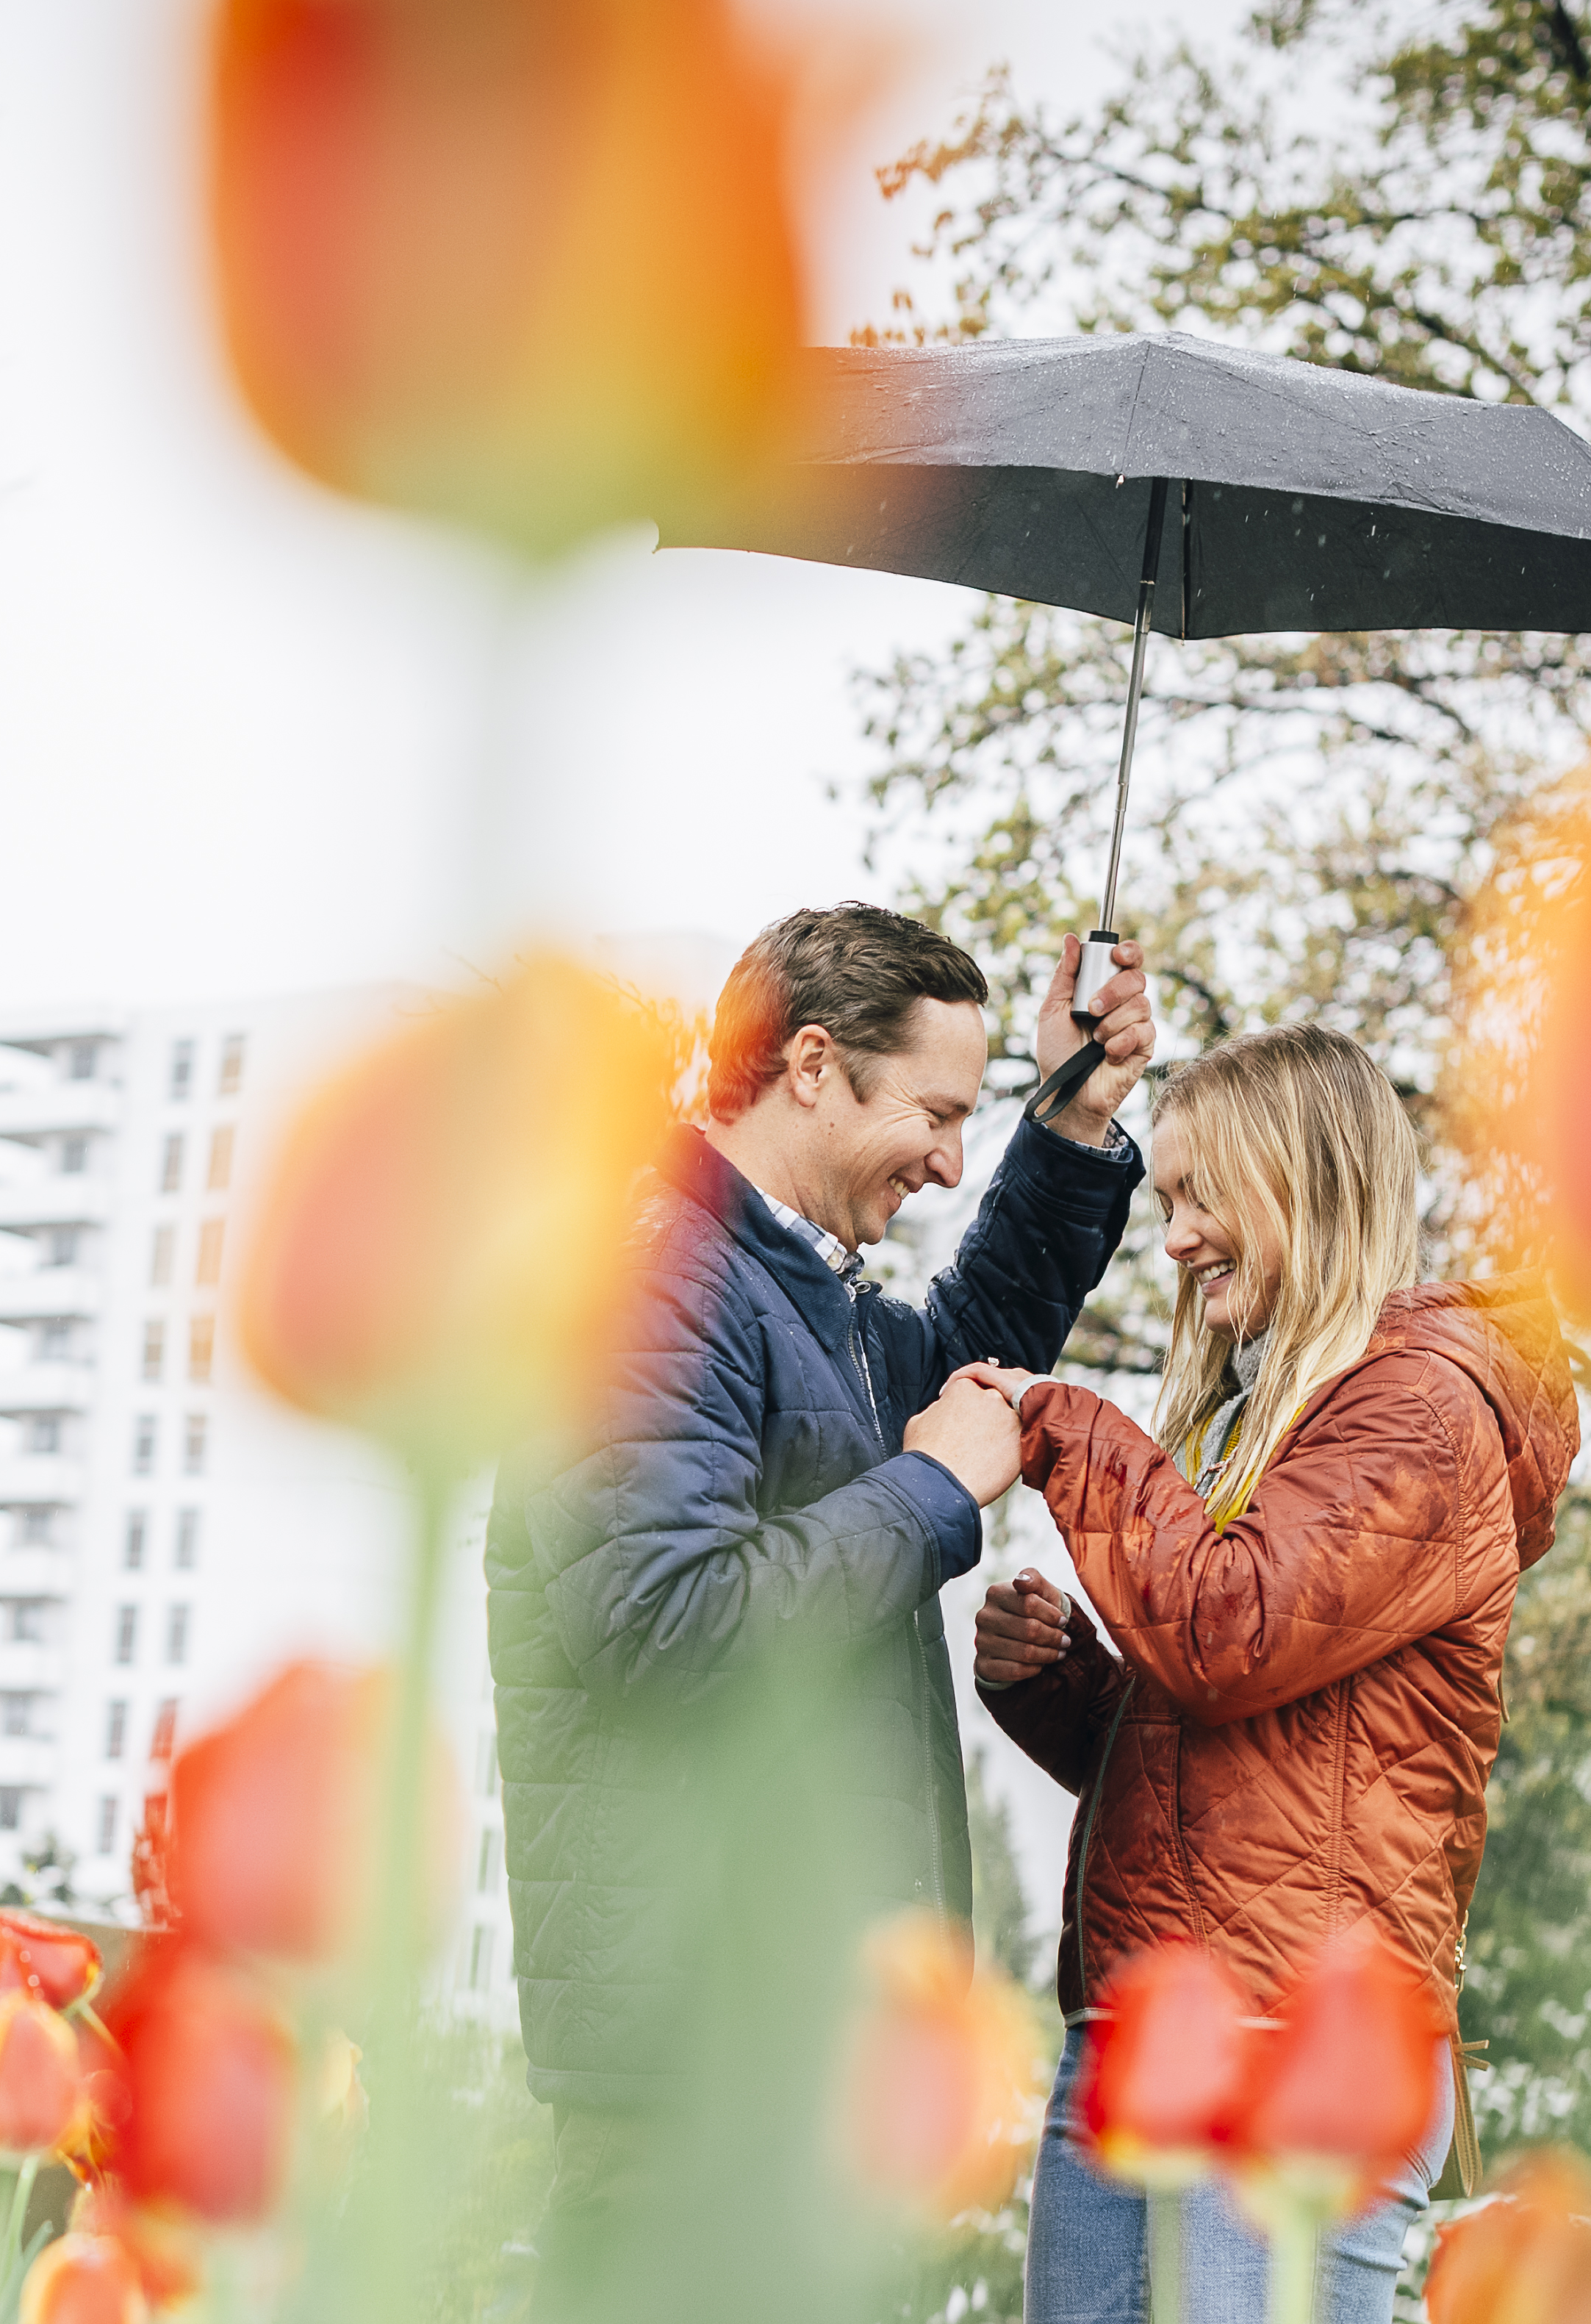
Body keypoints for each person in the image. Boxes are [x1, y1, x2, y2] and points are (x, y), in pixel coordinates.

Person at [958, 1022, 1579, 2324]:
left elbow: (1230, 1629)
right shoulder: (1261, 1418)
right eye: (1164, 1200)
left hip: (1301, 2044)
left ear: (1305, 1182)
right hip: (1144, 2031)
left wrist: (1063, 1429)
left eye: (1198, 1198)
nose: (1172, 1239)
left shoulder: (1422, 1417)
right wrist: (1067, 1689)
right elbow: (1245, 1773)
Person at [486, 903, 1154, 2255]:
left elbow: (966, 1357)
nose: (953, 1163)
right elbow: (664, 1626)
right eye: (936, 1114)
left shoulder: (792, 1297)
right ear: (809, 1066)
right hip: (693, 2065)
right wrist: (928, 1490)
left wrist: (1072, 1120)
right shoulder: (652, 1278)